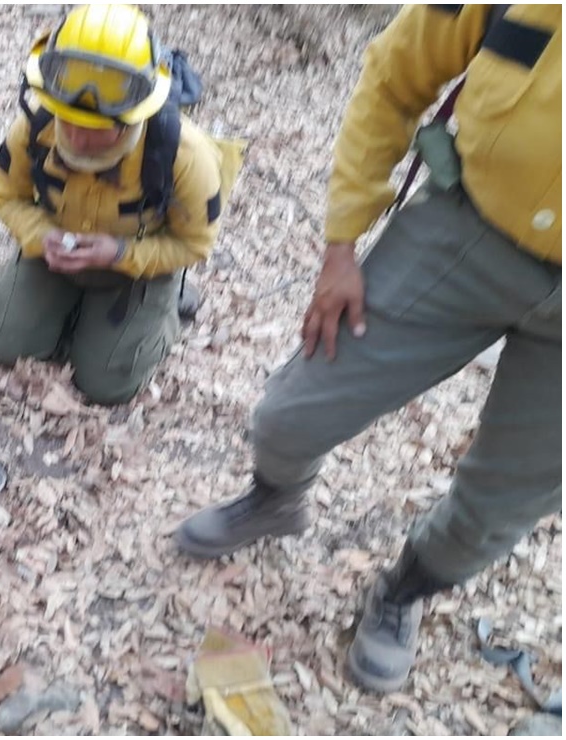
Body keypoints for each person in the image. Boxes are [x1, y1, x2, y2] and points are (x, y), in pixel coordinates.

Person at [176, 4, 561, 693]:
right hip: (465, 229)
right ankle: (275, 499)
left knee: (501, 504)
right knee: (290, 415)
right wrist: (341, 244)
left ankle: (405, 591)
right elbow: (393, 74)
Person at [0, 3, 244, 406]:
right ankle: (74, 314)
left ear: (133, 117)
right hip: (54, 256)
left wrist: (120, 253)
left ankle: (168, 308)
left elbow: (194, 244)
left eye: (97, 129)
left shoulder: (183, 155)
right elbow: (5, 193)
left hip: (135, 269)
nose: (78, 138)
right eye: (68, 121)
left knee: (107, 385)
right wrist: (41, 237)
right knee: (6, 345)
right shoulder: (37, 123)